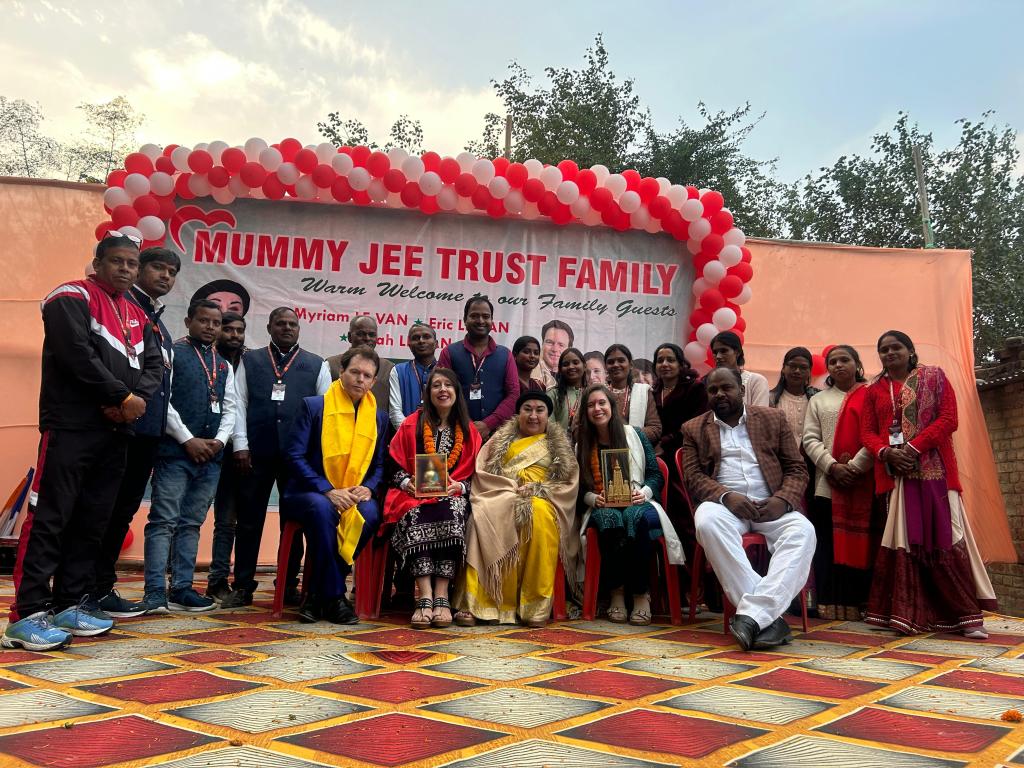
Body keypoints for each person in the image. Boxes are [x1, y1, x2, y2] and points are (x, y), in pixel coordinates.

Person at [3, 232, 163, 651]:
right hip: (72, 426)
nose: (125, 269)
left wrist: (136, 401)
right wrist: (118, 397)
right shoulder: (69, 296)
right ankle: (27, 614)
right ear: (97, 262)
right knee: (51, 517)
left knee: (92, 521)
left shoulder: (136, 313)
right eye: (117, 261)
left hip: (117, 432)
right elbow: (75, 353)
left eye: (132, 263)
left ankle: (69, 602)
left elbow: (153, 364)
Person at [861, 331, 996, 637]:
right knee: (904, 540)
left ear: (910, 351)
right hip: (897, 476)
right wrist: (888, 453)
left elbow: (949, 419)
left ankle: (965, 617)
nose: (889, 353)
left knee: (947, 536)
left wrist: (913, 448)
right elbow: (867, 433)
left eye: (896, 347)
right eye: (883, 349)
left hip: (938, 473)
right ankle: (906, 615)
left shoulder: (935, 378)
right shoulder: (874, 391)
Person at [681, 368, 813, 651]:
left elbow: (797, 469)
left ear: (741, 390)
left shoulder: (772, 418)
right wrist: (726, 496)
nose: (720, 394)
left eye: (726, 388)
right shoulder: (693, 428)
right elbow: (694, 478)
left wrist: (782, 501)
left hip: (771, 505)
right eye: (713, 390)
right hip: (726, 507)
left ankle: (753, 616)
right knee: (705, 521)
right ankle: (766, 617)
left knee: (803, 530)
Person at [93, 246, 179, 618]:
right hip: (120, 428)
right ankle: (86, 590)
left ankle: (99, 586)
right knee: (104, 510)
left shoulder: (158, 321)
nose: (165, 276)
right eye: (157, 268)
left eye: (172, 272)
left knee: (122, 511)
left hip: (148, 434)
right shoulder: (122, 310)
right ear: (138, 271)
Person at [281, 346, 389, 624]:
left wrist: (369, 487)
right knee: (322, 509)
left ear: (374, 381)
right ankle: (336, 597)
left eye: (367, 375)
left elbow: (378, 465)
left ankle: (318, 594)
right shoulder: (314, 406)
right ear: (341, 372)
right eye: (354, 372)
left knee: (371, 513)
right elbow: (294, 455)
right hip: (308, 492)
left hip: (353, 493)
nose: (360, 379)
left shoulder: (378, 417)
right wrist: (327, 489)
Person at [231, 307, 332, 604]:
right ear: (269, 327)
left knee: (294, 520)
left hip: (297, 458)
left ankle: (287, 583)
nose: (287, 328)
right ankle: (243, 585)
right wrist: (240, 444)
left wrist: (314, 457)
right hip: (255, 454)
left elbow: (323, 414)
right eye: (281, 323)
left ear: (299, 329)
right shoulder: (250, 360)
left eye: (292, 324)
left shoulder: (316, 364)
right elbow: (238, 402)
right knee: (249, 520)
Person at [142, 300, 237, 613]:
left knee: (192, 523)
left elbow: (231, 407)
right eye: (204, 321)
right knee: (163, 522)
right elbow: (162, 400)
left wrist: (220, 441)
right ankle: (155, 592)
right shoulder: (174, 354)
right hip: (175, 454)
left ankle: (181, 588)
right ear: (188, 321)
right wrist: (188, 439)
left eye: (216, 323)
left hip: (211, 459)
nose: (210, 327)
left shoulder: (223, 364)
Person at [456, 391, 579, 627]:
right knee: (481, 518)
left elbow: (568, 484)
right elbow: (482, 473)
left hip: (543, 498)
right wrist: (510, 488)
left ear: (548, 416)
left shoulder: (559, 447)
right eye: (527, 409)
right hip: (500, 494)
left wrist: (539, 488)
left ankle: (534, 606)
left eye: (539, 410)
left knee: (539, 514)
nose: (533, 416)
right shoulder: (499, 440)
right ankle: (476, 603)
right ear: (518, 413)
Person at [576, 385, 684, 625]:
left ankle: (640, 594)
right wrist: (594, 499)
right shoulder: (582, 445)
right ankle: (616, 593)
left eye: (602, 403)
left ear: (612, 407)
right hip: (603, 505)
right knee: (610, 519)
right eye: (591, 405)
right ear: (585, 411)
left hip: (640, 501)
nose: (597, 408)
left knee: (635, 517)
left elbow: (656, 475)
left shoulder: (635, 434)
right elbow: (578, 488)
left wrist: (643, 493)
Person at [384, 368, 482, 628]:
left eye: (448, 385)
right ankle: (424, 595)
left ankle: (441, 595)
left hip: (453, 497)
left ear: (456, 392)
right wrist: (407, 482)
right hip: (411, 496)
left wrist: (460, 487)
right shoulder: (410, 424)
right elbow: (391, 465)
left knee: (451, 509)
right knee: (419, 511)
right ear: (427, 393)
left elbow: (480, 476)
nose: (442, 390)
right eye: (435, 385)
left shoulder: (469, 431)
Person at [802, 345, 876, 621]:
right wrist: (832, 466)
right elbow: (809, 439)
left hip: (865, 483)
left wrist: (855, 468)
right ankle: (830, 602)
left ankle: (860, 602)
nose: (837, 365)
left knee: (863, 543)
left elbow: (876, 435)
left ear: (857, 364)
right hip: (827, 483)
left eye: (844, 360)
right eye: (832, 361)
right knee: (828, 544)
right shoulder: (819, 400)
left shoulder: (871, 395)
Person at [206, 311, 249, 608]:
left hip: (239, 452)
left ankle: (219, 580)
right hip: (203, 446)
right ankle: (177, 580)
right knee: (186, 517)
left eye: (239, 330)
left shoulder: (250, 361)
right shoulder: (204, 356)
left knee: (228, 521)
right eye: (228, 329)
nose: (234, 335)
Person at [651, 342, 708, 562]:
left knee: (684, 518)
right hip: (657, 460)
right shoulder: (653, 391)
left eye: (670, 359)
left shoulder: (695, 388)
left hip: (684, 460)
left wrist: (664, 442)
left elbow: (695, 424)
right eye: (660, 360)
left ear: (681, 363)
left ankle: (693, 581)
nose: (665, 364)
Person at [438, 296, 518, 441]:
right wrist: (466, 424)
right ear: (465, 320)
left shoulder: (505, 355)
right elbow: (441, 392)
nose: (480, 321)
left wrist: (488, 424)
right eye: (474, 316)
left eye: (486, 316)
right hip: (456, 433)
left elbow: (513, 394)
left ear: (492, 321)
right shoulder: (449, 353)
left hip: (497, 436)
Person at [328, 315, 393, 410]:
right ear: (349, 337)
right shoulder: (330, 364)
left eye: (372, 335)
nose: (367, 338)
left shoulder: (389, 368)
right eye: (361, 334)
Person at [603, 344, 661, 444]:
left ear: (630, 365)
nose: (616, 365)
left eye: (621, 360)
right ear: (606, 367)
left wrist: (625, 435)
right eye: (611, 362)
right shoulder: (596, 392)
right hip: (602, 450)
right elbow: (579, 426)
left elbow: (655, 429)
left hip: (635, 453)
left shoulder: (643, 392)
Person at [768, 347, 820, 452]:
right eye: (792, 366)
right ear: (783, 368)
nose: (797, 371)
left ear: (810, 372)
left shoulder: (817, 399)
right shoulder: (770, 398)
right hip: (779, 461)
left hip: (811, 462)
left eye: (803, 367)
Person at [389, 321, 438, 430]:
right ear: (409, 345)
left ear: (436, 343)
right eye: (416, 338)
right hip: (406, 436)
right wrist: (410, 432)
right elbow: (395, 411)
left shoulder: (446, 370)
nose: (421, 341)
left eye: (426, 337)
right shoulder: (398, 371)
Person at [710, 331, 769, 407]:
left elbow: (760, 415)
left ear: (737, 352)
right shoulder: (709, 383)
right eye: (715, 352)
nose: (718, 356)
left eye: (723, 351)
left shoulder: (756, 381)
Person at [547, 347, 588, 431]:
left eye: (575, 363)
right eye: (566, 364)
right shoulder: (552, 394)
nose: (571, 367)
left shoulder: (591, 394)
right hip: (558, 443)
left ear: (584, 366)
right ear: (560, 370)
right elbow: (549, 427)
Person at [536, 319, 574, 388]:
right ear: (542, 343)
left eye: (561, 345)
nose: (555, 349)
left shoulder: (578, 380)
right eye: (549, 342)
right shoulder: (528, 374)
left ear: (569, 349)